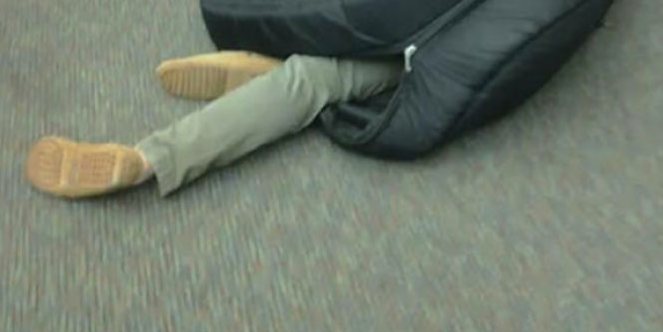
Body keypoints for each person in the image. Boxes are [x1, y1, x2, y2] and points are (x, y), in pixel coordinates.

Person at [25, 51, 402, 198]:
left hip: (423, 45)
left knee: (312, 78)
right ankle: (270, 80)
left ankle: (149, 160)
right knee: (314, 67)